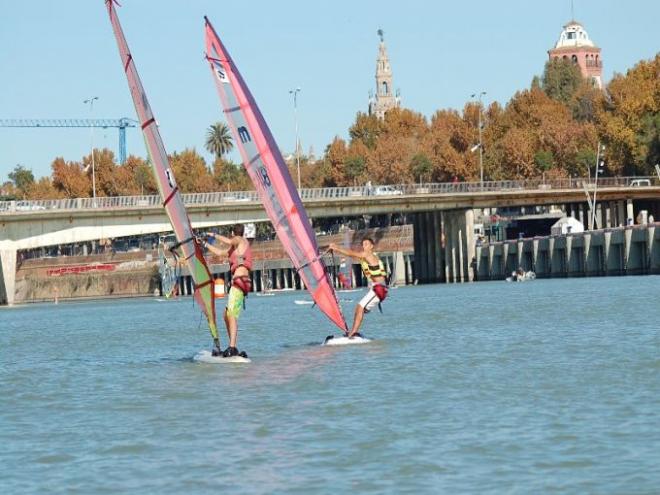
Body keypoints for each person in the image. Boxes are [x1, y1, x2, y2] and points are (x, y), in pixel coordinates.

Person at [203, 224, 253, 357]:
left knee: (231, 315)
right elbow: (219, 252)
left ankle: (232, 347)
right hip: (238, 283)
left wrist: (213, 235)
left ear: (233, 233)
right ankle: (232, 346)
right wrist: (205, 244)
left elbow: (230, 241)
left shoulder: (240, 241)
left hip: (240, 282)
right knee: (226, 315)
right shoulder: (234, 249)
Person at [329, 237, 388, 338]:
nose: (364, 246)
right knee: (358, 308)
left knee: (360, 307)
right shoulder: (366, 256)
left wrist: (337, 248)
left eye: (366, 244)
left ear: (371, 246)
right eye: (363, 244)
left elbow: (351, 254)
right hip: (377, 289)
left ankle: (352, 333)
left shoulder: (368, 254)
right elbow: (351, 255)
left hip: (379, 289)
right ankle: (353, 332)